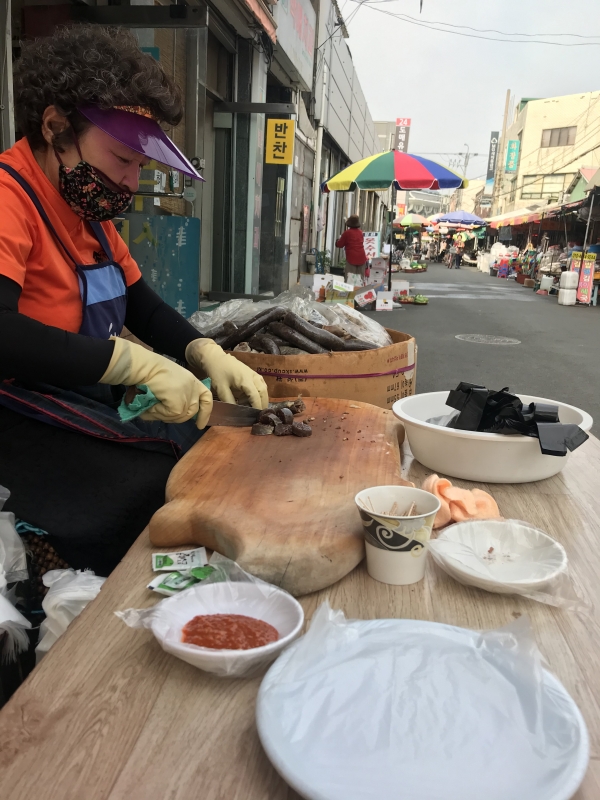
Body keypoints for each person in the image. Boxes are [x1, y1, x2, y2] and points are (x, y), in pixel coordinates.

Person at [0, 25, 268, 575]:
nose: (130, 180)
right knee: (145, 483)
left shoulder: (88, 214)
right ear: (55, 127)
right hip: (15, 410)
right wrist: (131, 364)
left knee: (196, 434)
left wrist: (203, 352)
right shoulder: (9, 198)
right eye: (123, 158)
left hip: (77, 394)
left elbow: (140, 303)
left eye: (141, 165)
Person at [335, 215, 367, 284]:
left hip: (351, 258)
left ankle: (351, 290)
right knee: (360, 280)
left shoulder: (347, 233)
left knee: (350, 280)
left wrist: (337, 241)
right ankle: (360, 290)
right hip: (362, 257)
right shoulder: (360, 232)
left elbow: (340, 244)